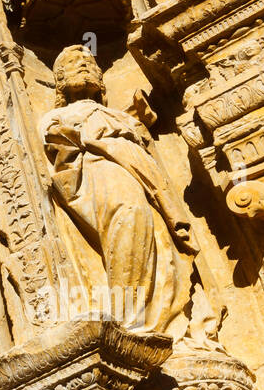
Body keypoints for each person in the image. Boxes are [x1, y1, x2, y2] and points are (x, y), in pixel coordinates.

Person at [42, 45, 196, 336]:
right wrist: (109, 136)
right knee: (129, 223)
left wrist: (134, 122)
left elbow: (139, 141)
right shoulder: (58, 116)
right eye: (74, 62)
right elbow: (58, 146)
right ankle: (131, 321)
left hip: (140, 179)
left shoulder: (117, 116)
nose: (84, 65)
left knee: (159, 242)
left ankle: (160, 320)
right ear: (60, 80)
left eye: (89, 62)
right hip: (102, 177)